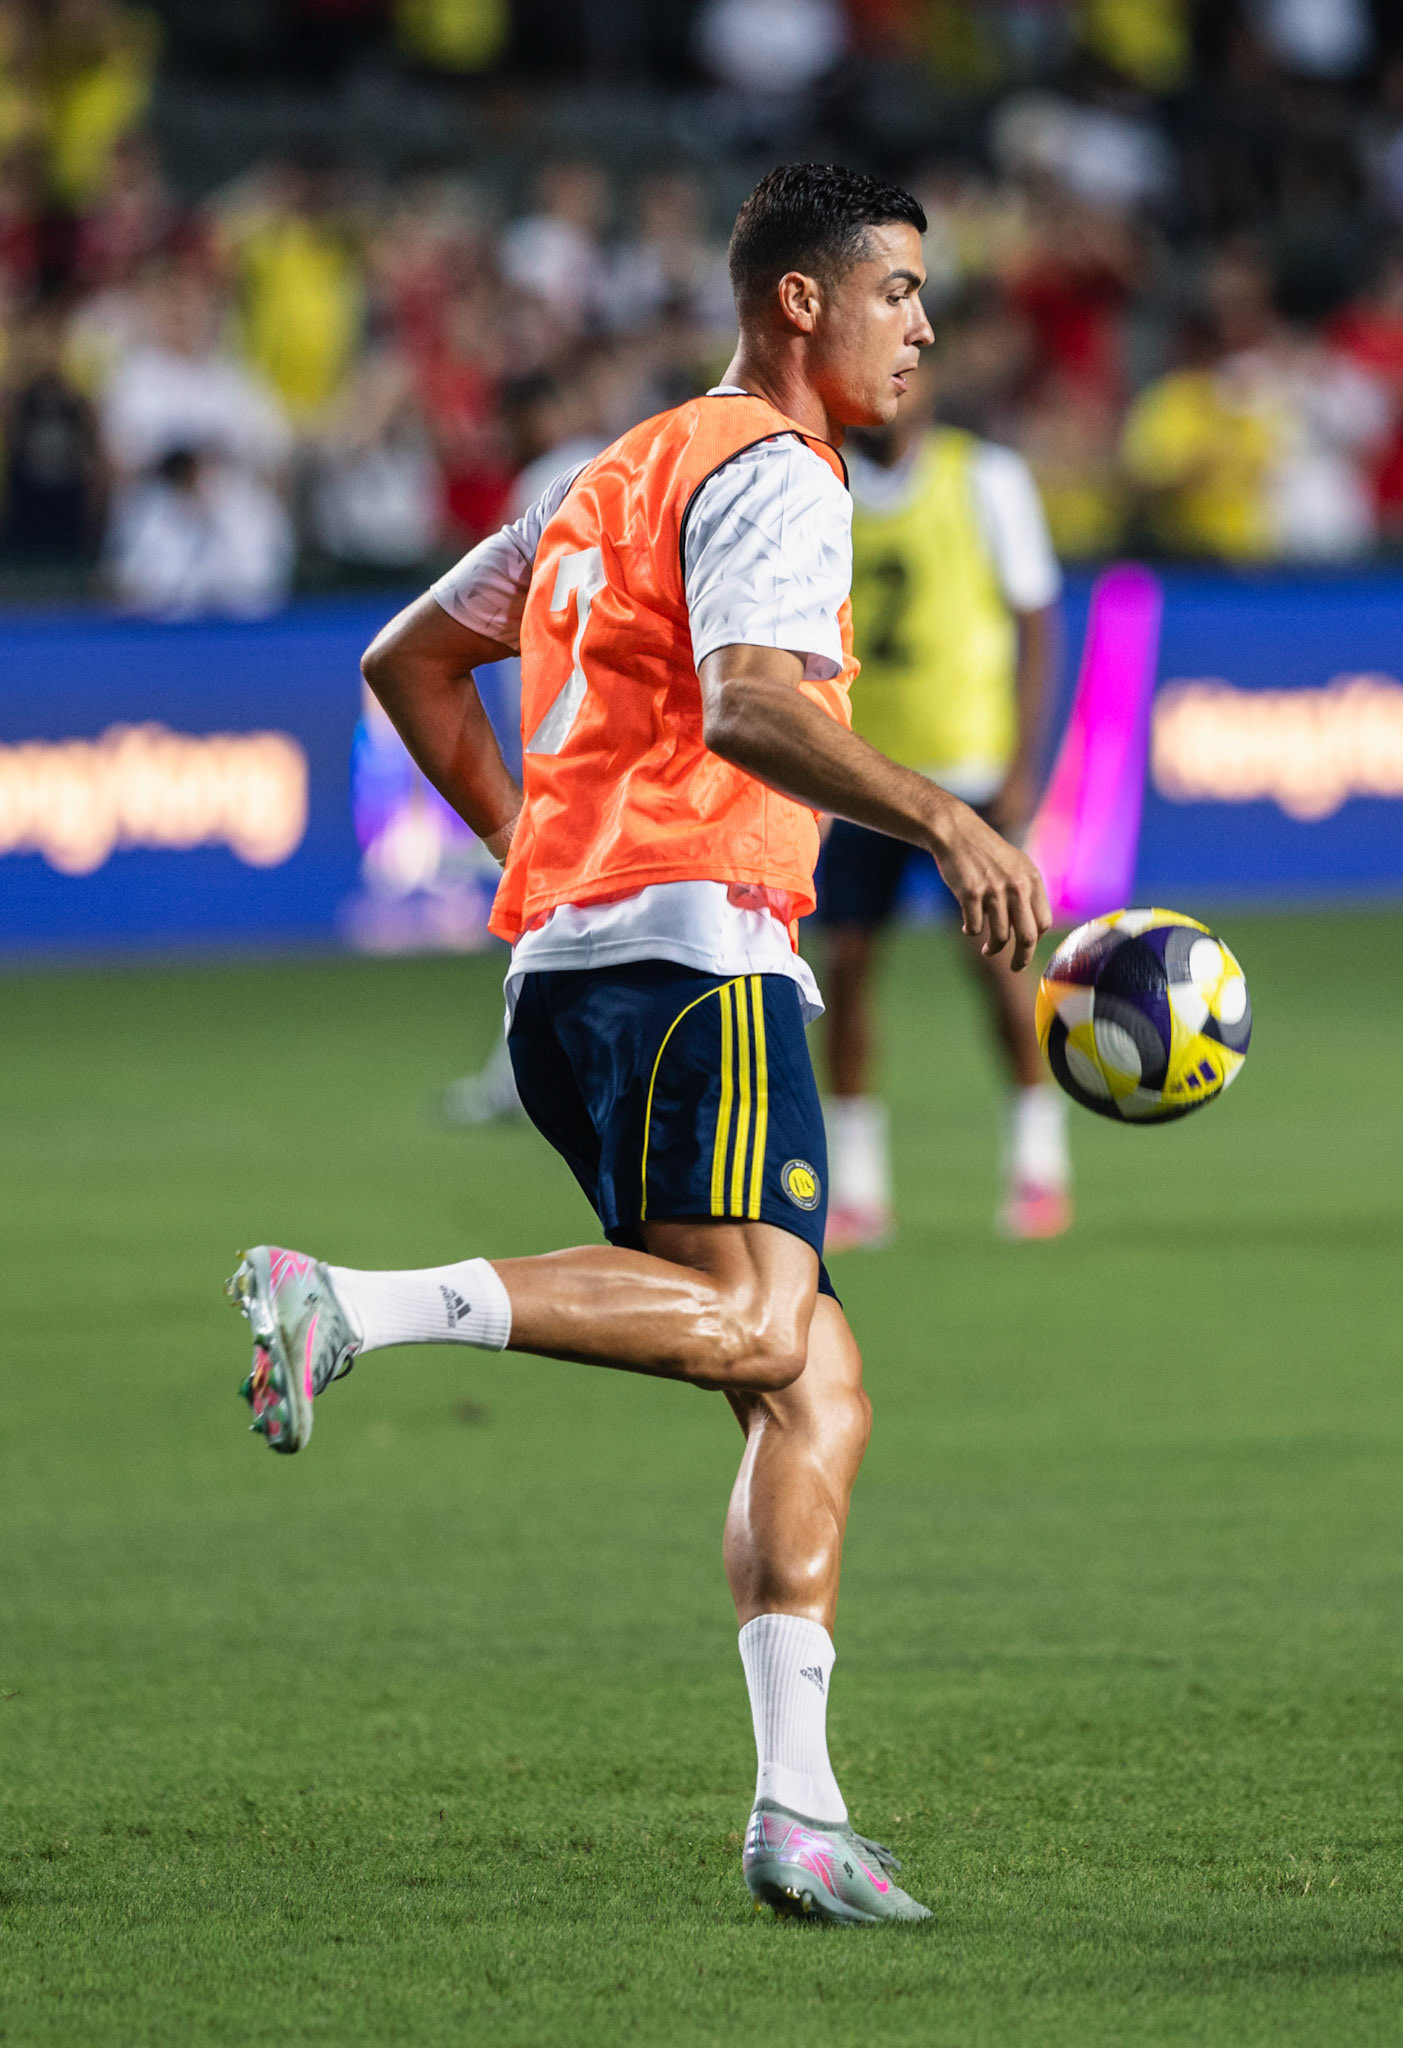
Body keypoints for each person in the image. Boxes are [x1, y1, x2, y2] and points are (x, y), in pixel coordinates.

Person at [223, 163, 1050, 1926]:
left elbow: (407, 661)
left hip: (572, 976)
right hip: (701, 957)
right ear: (801, 301)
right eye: (896, 286)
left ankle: (798, 1810)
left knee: (810, 1373)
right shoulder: (775, 471)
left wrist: (543, 852)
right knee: (765, 1320)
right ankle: (352, 1302)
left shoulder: (615, 473)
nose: (923, 320)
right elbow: (754, 699)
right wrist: (947, 820)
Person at [816, 363, 1071, 1247]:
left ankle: (1039, 1164)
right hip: (864, 775)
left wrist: (1024, 760)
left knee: (1001, 968)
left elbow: (1037, 620)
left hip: (970, 769)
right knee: (845, 971)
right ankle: (855, 1184)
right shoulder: (821, 481)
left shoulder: (987, 477)